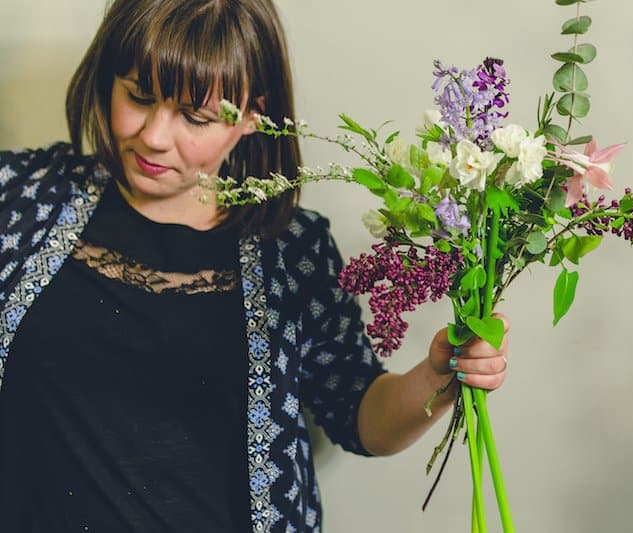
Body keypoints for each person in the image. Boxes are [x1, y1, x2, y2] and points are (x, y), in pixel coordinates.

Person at [0, 0, 509, 531]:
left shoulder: (291, 249)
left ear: (252, 115)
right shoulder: (22, 197)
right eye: (139, 96)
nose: (153, 134)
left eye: (194, 117)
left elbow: (361, 418)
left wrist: (439, 375)